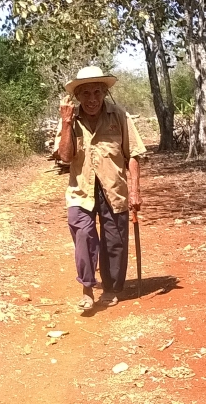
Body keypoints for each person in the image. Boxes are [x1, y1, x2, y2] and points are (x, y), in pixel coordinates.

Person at [56, 66, 146, 311]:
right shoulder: (70, 121)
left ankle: (111, 287)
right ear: (77, 97)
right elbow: (65, 157)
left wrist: (135, 191)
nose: (92, 99)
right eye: (86, 94)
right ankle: (87, 288)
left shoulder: (119, 115)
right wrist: (66, 123)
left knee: (114, 239)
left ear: (105, 93)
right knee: (83, 235)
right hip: (80, 190)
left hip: (113, 188)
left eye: (97, 92)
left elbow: (134, 155)